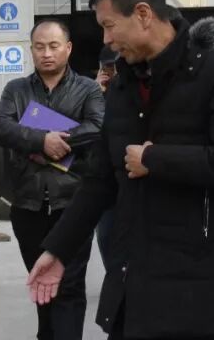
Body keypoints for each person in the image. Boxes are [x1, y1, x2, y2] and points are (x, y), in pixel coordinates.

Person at [27, 0, 214, 340]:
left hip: (199, 285)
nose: (106, 39)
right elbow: (99, 180)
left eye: (109, 26)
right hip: (133, 278)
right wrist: (57, 250)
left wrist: (154, 159)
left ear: (143, 14)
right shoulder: (123, 87)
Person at [0, 19, 105, 340]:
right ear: (31, 50)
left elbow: (97, 127)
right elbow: (1, 126)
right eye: (39, 47)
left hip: (73, 204)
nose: (47, 53)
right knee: (41, 281)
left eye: (54, 46)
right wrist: (41, 141)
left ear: (68, 48)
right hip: (28, 205)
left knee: (69, 286)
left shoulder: (88, 89)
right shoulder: (16, 90)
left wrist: (57, 145)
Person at [94, 44, 120, 268]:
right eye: (107, 68)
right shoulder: (94, 93)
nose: (111, 73)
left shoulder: (132, 91)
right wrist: (97, 93)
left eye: (114, 67)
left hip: (131, 178)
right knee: (106, 236)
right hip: (104, 181)